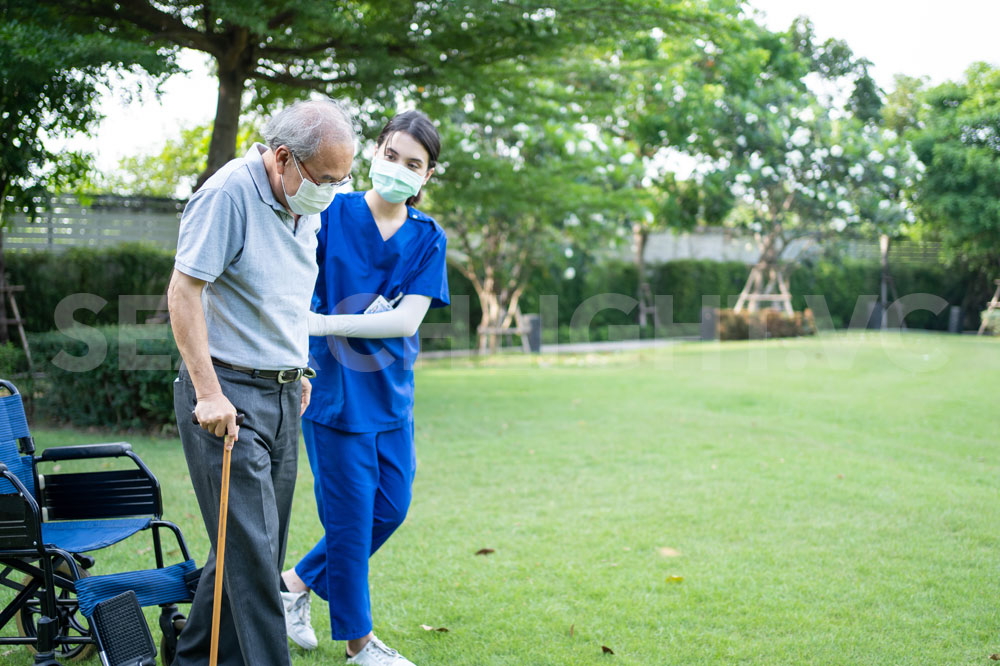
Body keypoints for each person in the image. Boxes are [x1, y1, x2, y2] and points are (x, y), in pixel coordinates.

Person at [168, 98, 356, 666]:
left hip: (282, 394)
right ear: (283, 159)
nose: (331, 191)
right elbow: (184, 292)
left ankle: (188, 658)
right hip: (228, 399)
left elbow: (283, 294)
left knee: (248, 549)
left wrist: (296, 366)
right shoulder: (228, 195)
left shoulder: (305, 198)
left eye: (342, 181)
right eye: (326, 179)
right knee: (255, 562)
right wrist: (207, 394)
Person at [279, 110, 449, 666]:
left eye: (414, 164)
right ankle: (360, 647)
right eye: (392, 155)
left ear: (427, 178)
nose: (398, 168)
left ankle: (293, 585)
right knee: (350, 522)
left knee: (390, 510)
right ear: (376, 152)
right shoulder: (332, 214)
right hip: (333, 396)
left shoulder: (428, 238)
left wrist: (322, 324)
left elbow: (405, 322)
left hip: (391, 398)